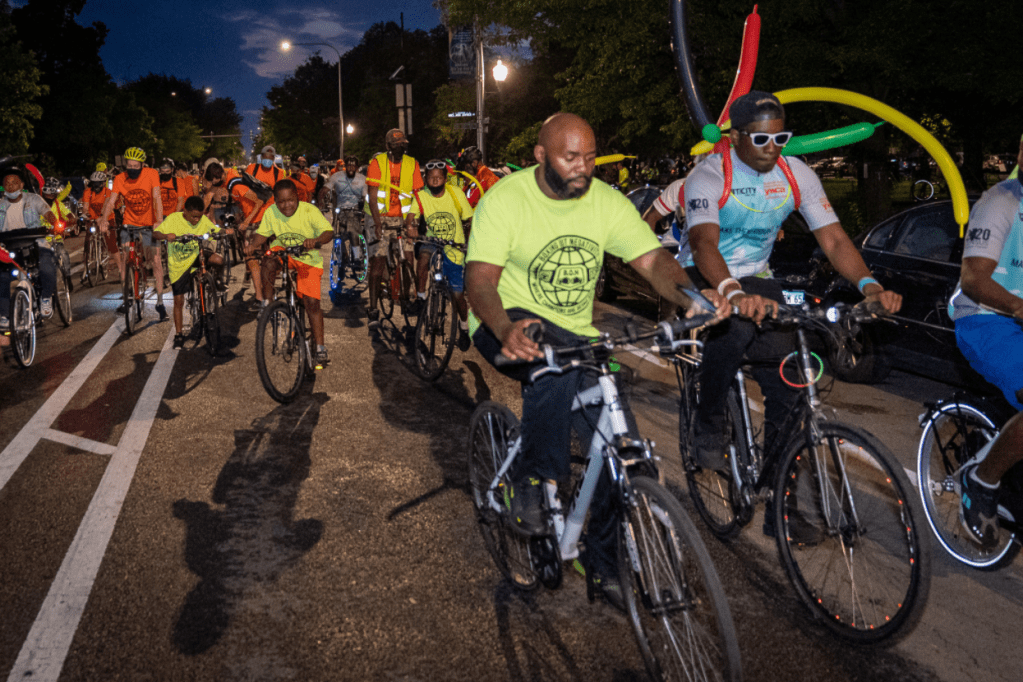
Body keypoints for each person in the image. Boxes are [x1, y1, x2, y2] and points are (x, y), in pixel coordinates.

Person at [465, 112, 729, 598]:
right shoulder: (506, 201)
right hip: (503, 320)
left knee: (614, 444)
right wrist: (503, 326)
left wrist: (692, 298)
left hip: (575, 333)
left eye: (590, 156)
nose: (583, 167)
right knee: (551, 362)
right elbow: (480, 279)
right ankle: (532, 481)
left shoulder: (605, 202)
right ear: (541, 156)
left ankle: (602, 561)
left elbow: (651, 260)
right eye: (571, 157)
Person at [680, 91, 901, 532]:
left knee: (792, 378)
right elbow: (704, 244)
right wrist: (731, 292)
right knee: (733, 328)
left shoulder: (796, 174)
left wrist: (870, 287)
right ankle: (708, 425)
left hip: (758, 276)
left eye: (781, 137)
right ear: (737, 136)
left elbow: (834, 240)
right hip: (703, 273)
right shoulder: (708, 175)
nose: (772, 147)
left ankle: (783, 504)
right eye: (761, 139)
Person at [948, 135, 1023, 549]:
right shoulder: (1001, 203)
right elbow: (974, 279)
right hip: (987, 320)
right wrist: (1016, 305)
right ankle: (982, 479)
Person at [247, 179, 333, 364]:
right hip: (284, 252)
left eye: (291, 200)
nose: (287, 205)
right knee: (268, 261)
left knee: (312, 303)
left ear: (298, 197)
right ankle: (268, 305)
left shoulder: (309, 211)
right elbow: (262, 233)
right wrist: (252, 244)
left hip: (307, 258)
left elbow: (328, 232)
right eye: (281, 202)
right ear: (276, 201)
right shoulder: (271, 212)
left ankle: (320, 347)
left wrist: (316, 240)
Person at [406, 159, 474, 351]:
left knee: (458, 294)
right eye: (431, 178)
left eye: (438, 177)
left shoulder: (456, 194)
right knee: (423, 262)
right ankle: (420, 299)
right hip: (430, 241)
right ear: (425, 179)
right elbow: (411, 217)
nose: (435, 181)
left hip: (453, 246)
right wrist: (410, 227)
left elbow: (468, 219)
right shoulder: (420, 196)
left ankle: (464, 328)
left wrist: (469, 242)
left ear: (445, 178)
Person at [98, 147, 168, 320]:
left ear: (142, 165)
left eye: (136, 166)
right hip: (129, 223)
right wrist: (104, 219)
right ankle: (128, 295)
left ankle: (160, 301)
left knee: (156, 261)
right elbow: (111, 200)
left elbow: (157, 198)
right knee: (125, 259)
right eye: (129, 165)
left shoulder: (151, 174)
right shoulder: (120, 178)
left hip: (149, 224)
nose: (132, 168)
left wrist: (158, 221)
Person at [153, 196, 231, 349]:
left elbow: (215, 229)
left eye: (199, 216)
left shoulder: (202, 220)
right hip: (179, 265)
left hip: (197, 256)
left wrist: (225, 231)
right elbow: (155, 234)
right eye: (193, 216)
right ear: (185, 212)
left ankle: (216, 282)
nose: (197, 220)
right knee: (179, 301)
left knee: (218, 260)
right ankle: (179, 334)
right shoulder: (173, 219)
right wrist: (166, 236)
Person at [365, 129, 424, 327]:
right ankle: (373, 308)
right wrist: (378, 224)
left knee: (408, 258)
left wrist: (412, 223)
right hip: (381, 217)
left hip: (404, 219)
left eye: (403, 144)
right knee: (378, 262)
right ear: (388, 146)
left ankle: (407, 298)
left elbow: (417, 195)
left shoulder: (412, 163)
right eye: (397, 144)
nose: (401, 147)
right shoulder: (378, 163)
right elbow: (373, 197)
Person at [0, 168, 60, 320]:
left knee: (47, 267)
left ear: (21, 185)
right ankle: (5, 316)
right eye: (7, 183)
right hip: (10, 249)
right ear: (3, 187)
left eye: (14, 183)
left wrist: (55, 224)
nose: (11, 186)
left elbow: (47, 213)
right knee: (2, 277)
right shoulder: (0, 205)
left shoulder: (34, 199)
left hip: (36, 245)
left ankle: (46, 298)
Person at [202, 162, 266, 303]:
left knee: (251, 256)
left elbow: (259, 201)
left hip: (259, 217)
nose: (214, 184)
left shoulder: (236, 186)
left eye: (215, 181)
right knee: (254, 256)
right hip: (252, 216)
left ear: (220, 177)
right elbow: (209, 196)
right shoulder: (225, 175)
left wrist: (246, 222)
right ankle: (255, 279)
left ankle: (260, 298)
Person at [81, 170, 122, 279]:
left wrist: (102, 218)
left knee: (111, 243)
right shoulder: (88, 192)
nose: (96, 185)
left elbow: (106, 205)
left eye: (99, 183)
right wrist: (85, 214)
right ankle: (86, 266)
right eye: (94, 182)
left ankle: (121, 269)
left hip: (108, 218)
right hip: (93, 219)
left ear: (103, 183)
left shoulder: (108, 191)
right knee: (87, 240)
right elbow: (85, 207)